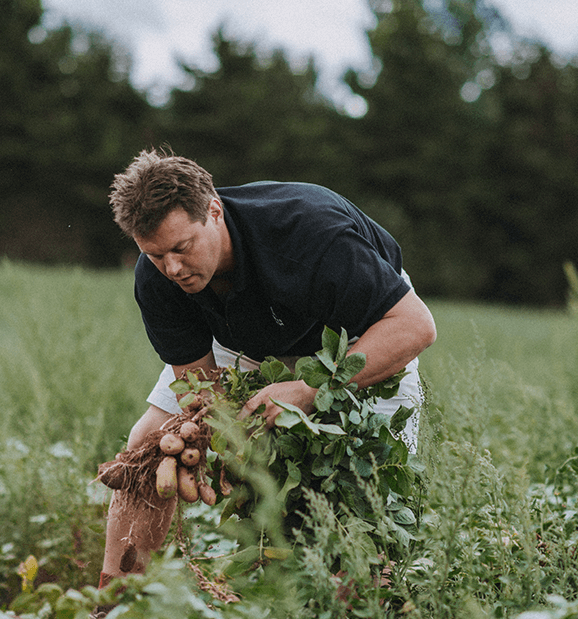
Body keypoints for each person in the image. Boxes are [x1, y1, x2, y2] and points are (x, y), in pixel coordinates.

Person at [98, 148, 436, 588]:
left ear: (214, 210)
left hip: (364, 332)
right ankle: (115, 606)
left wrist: (309, 391)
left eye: (182, 248)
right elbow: (200, 386)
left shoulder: (309, 233)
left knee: (366, 488)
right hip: (242, 339)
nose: (173, 268)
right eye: (156, 255)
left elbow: (415, 327)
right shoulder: (158, 276)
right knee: (148, 444)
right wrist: (211, 435)